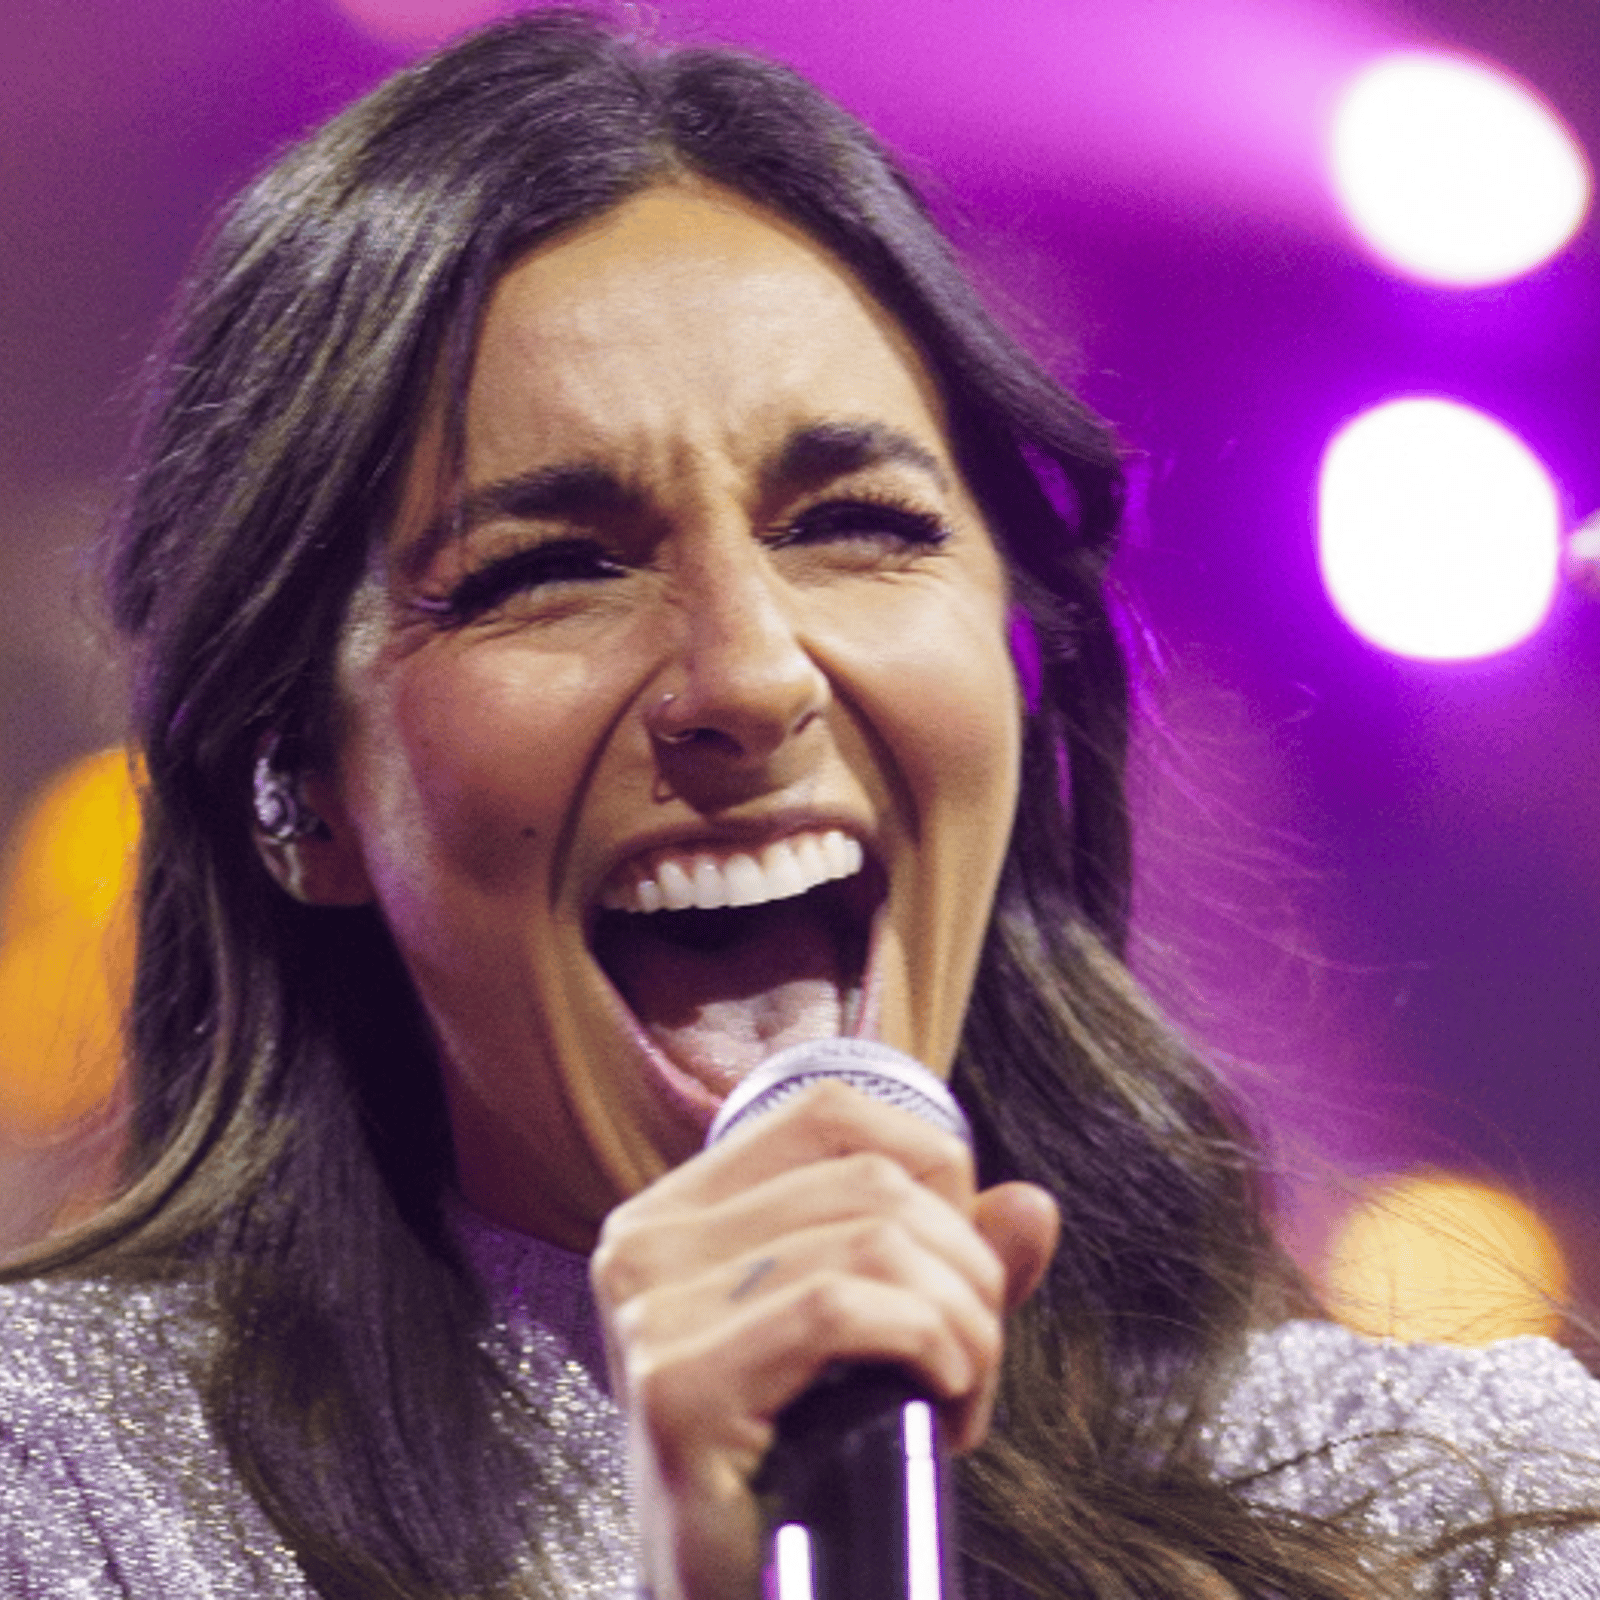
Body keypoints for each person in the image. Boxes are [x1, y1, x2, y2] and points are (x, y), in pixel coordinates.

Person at [3, 12, 1599, 1599]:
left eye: (855, 522)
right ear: (306, 785)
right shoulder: (58, 1487)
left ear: (1018, 670)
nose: (755, 676)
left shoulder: (1447, 1502)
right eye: (552, 567)